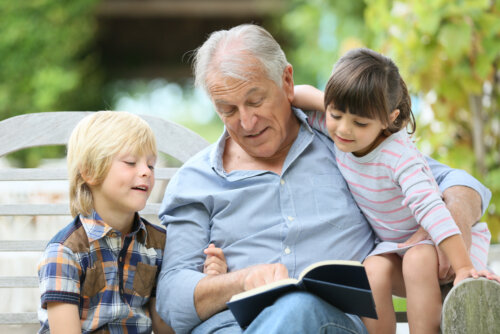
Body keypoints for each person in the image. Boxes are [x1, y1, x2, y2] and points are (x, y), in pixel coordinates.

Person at [156, 24, 492, 334]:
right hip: (231, 326)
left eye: (255, 101)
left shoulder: (347, 143)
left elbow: (459, 184)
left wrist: (450, 233)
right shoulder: (197, 181)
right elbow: (173, 301)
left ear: (287, 82)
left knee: (298, 307)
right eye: (227, 110)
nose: (246, 122)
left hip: (332, 323)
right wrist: (241, 282)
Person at [294, 48, 498, 334]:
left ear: (390, 118)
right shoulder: (339, 130)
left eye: (360, 123)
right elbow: (297, 97)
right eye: (335, 114)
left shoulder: (399, 157)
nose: (344, 129)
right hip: (395, 247)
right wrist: (328, 102)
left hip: (440, 243)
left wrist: (463, 266)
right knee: (372, 271)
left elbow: (430, 208)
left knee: (417, 260)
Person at [37, 111, 174, 333]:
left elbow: (163, 327)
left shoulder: (157, 244)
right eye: (130, 162)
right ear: (90, 171)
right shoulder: (65, 252)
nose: (145, 172)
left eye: (151, 165)